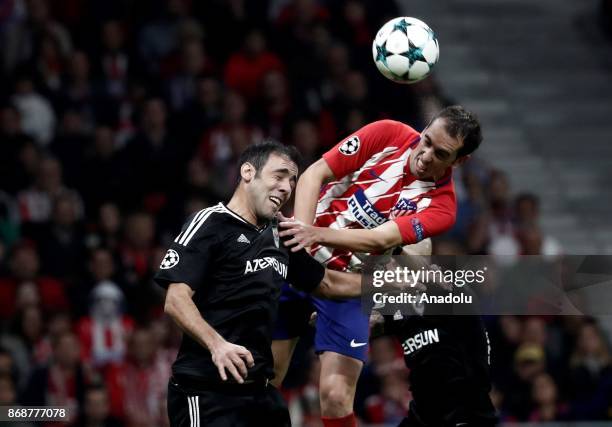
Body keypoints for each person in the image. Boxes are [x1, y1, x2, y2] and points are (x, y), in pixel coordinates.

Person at [272, 105, 483, 427]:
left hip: (345, 288)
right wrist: (301, 235)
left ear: (459, 161)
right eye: (426, 141)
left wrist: (314, 233)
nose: (425, 155)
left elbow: (377, 240)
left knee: (335, 394)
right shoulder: (387, 133)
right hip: (295, 264)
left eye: (440, 153)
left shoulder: (442, 207)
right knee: (266, 377)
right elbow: (315, 173)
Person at [154, 141, 374, 427]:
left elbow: (328, 283)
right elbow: (175, 299)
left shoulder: (281, 234)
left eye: (292, 181)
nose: (286, 187)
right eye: (279, 175)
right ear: (248, 172)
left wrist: (393, 282)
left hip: (260, 394)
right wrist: (217, 345)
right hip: (205, 390)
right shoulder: (210, 223)